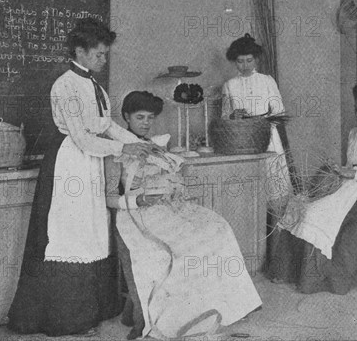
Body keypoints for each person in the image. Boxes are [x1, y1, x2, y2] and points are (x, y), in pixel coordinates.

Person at [8, 19, 156, 337]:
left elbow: (105, 126)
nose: (104, 60)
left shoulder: (96, 87)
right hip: (69, 165)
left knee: (92, 233)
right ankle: (65, 319)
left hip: (91, 164)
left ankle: (90, 314)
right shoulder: (65, 85)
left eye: (105, 55)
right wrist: (125, 147)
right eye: (99, 55)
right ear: (80, 51)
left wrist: (142, 145)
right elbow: (82, 139)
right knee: (70, 234)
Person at [106, 90, 263, 339]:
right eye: (140, 117)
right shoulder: (115, 151)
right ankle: (168, 319)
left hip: (166, 209)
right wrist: (141, 199)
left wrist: (174, 179)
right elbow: (110, 198)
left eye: (150, 118)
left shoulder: (156, 145)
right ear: (126, 116)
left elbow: (173, 174)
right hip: (137, 215)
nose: (146, 123)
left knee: (217, 229)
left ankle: (229, 304)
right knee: (184, 248)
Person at [268, 84, 357, 295]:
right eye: (356, 109)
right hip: (349, 186)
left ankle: (319, 279)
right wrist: (339, 171)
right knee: (303, 204)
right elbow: (350, 166)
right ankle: (287, 270)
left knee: (316, 213)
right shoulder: (354, 133)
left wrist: (354, 174)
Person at [221, 33, 291, 202]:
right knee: (248, 186)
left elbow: (279, 111)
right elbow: (224, 117)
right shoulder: (229, 85)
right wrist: (233, 116)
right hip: (241, 138)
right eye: (240, 61)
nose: (245, 65)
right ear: (234, 61)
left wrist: (262, 123)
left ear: (256, 60)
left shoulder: (267, 81)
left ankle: (276, 226)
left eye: (249, 60)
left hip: (267, 135)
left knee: (274, 183)